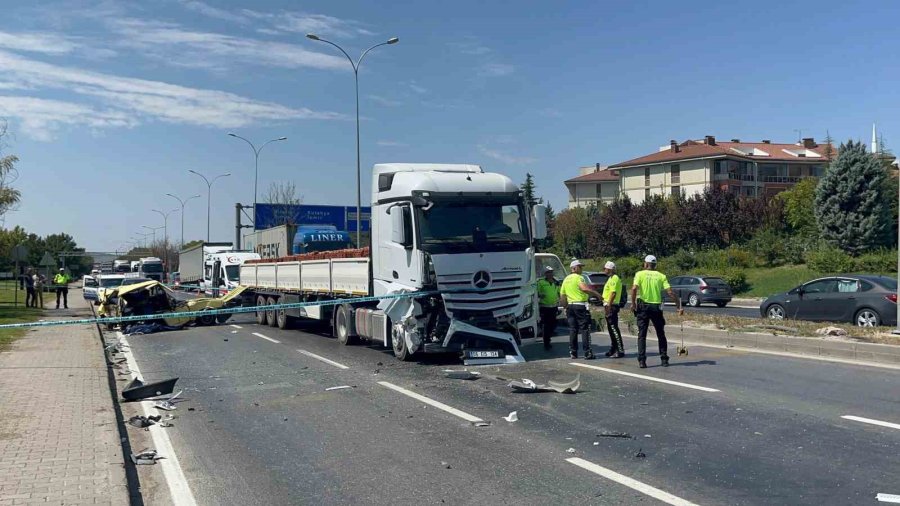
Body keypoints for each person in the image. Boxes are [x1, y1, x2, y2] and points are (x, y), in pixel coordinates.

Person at [629, 255, 682, 368]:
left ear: (646, 264)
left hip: (643, 307)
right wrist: (678, 306)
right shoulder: (661, 276)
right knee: (660, 334)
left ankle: (642, 361)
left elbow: (633, 288)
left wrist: (633, 304)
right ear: (655, 265)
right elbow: (670, 292)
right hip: (656, 308)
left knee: (642, 335)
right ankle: (664, 359)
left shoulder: (640, 274)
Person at [560, 259, 603, 360]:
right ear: (574, 268)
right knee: (584, 329)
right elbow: (584, 288)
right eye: (580, 267)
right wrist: (597, 294)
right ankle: (587, 352)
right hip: (580, 305)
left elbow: (562, 295)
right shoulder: (579, 278)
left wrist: (565, 306)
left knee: (573, 329)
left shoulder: (566, 279)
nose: (581, 269)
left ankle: (573, 352)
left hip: (570, 306)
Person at [602, 261, 625, 358]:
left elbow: (613, 293)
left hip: (611, 306)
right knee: (611, 329)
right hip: (609, 305)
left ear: (609, 269)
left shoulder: (614, 278)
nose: (604, 270)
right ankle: (613, 348)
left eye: (605, 268)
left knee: (614, 328)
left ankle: (620, 349)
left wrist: (609, 306)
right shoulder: (610, 278)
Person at [536, 265, 560, 349]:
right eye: (548, 272)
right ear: (545, 274)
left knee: (553, 324)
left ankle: (548, 336)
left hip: (554, 306)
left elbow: (559, 292)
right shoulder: (541, 282)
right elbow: (536, 292)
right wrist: (540, 295)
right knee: (546, 325)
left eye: (551, 272)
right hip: (544, 307)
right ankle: (546, 342)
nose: (550, 274)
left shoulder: (556, 282)